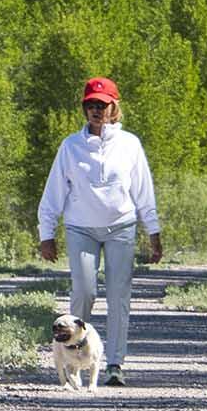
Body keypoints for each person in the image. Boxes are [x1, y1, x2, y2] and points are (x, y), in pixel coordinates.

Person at [36, 76, 163, 388]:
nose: (96, 110)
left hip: (121, 226)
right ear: (84, 108)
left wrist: (154, 231)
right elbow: (54, 191)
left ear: (113, 107)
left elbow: (143, 191)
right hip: (81, 227)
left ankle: (115, 363)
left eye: (102, 105)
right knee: (84, 291)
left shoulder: (129, 144)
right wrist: (46, 233)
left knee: (118, 295)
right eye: (90, 104)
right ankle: (73, 358)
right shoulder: (71, 146)